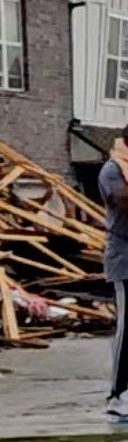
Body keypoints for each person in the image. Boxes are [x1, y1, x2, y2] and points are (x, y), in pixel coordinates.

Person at [101, 137, 128, 414]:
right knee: (127, 328)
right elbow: (122, 200)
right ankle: (118, 394)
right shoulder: (113, 170)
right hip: (125, 261)